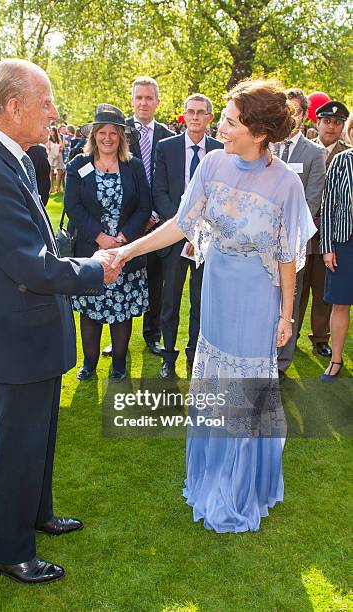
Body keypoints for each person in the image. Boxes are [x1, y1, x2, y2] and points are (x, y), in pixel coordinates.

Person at [109, 78, 315, 533]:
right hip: (216, 291)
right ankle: (211, 473)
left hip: (256, 300)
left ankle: (239, 487)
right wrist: (127, 251)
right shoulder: (212, 165)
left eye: (229, 120)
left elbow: (286, 258)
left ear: (258, 132)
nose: (219, 126)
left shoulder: (285, 185)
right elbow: (181, 226)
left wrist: (286, 316)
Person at [0, 59, 119, 584]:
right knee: (18, 444)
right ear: (14, 105)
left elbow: (41, 241)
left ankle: (37, 514)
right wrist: (96, 268)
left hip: (33, 328)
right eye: (45, 102)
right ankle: (7, 547)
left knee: (40, 436)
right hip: (17, 332)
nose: (54, 112)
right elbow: (31, 263)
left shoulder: (10, 157)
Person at [64, 104, 151, 381]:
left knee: (122, 309)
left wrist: (123, 239)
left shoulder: (133, 166)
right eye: (102, 132)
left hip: (126, 250)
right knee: (90, 309)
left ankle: (119, 364)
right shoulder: (79, 165)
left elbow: (144, 206)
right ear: (94, 135)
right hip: (92, 251)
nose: (108, 138)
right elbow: (73, 205)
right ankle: (89, 363)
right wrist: (100, 238)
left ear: (121, 137)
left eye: (114, 133)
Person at [152, 93, 223, 380]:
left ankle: (195, 354)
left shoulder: (220, 151)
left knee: (200, 301)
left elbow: (222, 197)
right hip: (175, 235)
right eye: (190, 112)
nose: (195, 117)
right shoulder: (166, 147)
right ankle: (168, 356)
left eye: (200, 112)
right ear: (183, 115)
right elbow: (159, 192)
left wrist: (200, 232)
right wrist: (184, 228)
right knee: (169, 300)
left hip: (207, 239)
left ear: (209, 117)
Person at [275, 88, 326, 381]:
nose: (289, 117)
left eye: (295, 111)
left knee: (290, 302)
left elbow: (312, 201)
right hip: (263, 241)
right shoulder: (266, 145)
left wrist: (285, 231)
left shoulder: (314, 153)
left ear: (304, 115)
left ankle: (282, 362)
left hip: (294, 242)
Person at [126, 76, 174, 356]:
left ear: (157, 102)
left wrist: (156, 213)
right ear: (132, 101)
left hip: (159, 222)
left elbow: (167, 181)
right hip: (128, 221)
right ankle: (119, 333)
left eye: (148, 98)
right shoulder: (119, 133)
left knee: (155, 280)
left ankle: (152, 334)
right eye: (139, 98)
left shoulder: (168, 137)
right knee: (125, 277)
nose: (143, 103)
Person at [299, 101, 351, 356]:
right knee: (297, 286)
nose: (331, 126)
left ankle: (320, 337)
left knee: (322, 289)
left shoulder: (346, 154)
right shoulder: (305, 150)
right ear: (317, 123)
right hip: (303, 231)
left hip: (330, 235)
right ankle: (290, 332)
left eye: (337, 122)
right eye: (327, 121)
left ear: (342, 127)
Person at [320, 138, 353, 380]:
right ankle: (336, 360)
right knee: (340, 303)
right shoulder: (342, 160)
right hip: (344, 243)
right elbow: (328, 205)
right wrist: (327, 247)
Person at [46, 126, 64, 193]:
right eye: (50, 131)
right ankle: (51, 187)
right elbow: (48, 147)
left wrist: (56, 148)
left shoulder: (59, 139)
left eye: (52, 131)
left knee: (60, 171)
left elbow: (62, 148)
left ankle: (58, 187)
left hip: (58, 156)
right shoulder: (48, 139)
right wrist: (56, 148)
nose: (50, 132)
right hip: (51, 156)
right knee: (51, 171)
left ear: (55, 132)